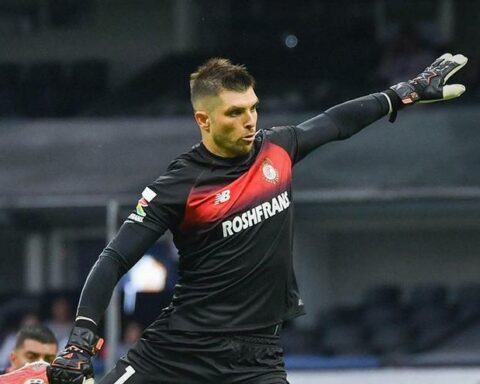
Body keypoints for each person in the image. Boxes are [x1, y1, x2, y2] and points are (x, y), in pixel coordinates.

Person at [48, 53, 467, 384]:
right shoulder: (177, 185)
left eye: (253, 108)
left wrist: (404, 92)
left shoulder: (277, 149)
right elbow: (113, 259)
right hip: (180, 349)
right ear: (203, 119)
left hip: (257, 357)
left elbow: (336, 122)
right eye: (234, 113)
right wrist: (82, 338)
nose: (250, 120)